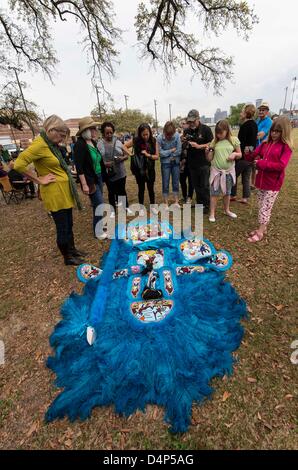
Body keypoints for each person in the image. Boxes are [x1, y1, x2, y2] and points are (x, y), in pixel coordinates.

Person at [14, 115, 84, 266]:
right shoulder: (40, 145)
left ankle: (72, 250)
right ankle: (67, 257)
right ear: (52, 130)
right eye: (61, 135)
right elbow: (18, 164)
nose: (61, 139)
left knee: (69, 223)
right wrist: (39, 180)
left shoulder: (51, 145)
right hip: (54, 193)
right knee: (63, 226)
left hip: (64, 191)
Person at [246, 117, 293, 243]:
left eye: (278, 131)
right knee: (261, 205)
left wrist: (262, 163)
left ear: (284, 132)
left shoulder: (286, 148)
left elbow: (281, 166)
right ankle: (263, 228)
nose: (274, 133)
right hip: (261, 181)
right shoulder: (265, 144)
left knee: (265, 208)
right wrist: (248, 153)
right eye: (273, 131)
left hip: (273, 184)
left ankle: (260, 232)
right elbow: (254, 153)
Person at [74, 116, 107, 237]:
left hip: (98, 176)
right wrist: (84, 184)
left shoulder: (92, 142)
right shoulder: (80, 145)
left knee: (98, 204)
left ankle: (100, 226)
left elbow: (97, 160)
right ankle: (98, 232)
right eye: (93, 128)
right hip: (90, 180)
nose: (96, 130)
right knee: (99, 204)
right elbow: (80, 167)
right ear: (86, 130)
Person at [206, 120, 242, 222]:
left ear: (227, 130)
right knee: (214, 193)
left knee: (227, 192)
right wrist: (207, 152)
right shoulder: (214, 141)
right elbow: (209, 158)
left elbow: (240, 154)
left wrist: (234, 154)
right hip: (216, 172)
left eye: (221, 132)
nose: (219, 135)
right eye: (217, 132)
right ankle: (212, 213)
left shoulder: (234, 140)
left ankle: (227, 210)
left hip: (229, 171)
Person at [98, 122, 133, 218]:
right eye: (107, 133)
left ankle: (125, 207)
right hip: (108, 172)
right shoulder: (99, 144)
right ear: (103, 133)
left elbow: (127, 155)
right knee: (111, 191)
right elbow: (97, 159)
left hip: (120, 171)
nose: (109, 135)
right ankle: (112, 209)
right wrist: (104, 164)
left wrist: (121, 158)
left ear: (113, 132)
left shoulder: (118, 142)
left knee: (122, 190)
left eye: (111, 132)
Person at [183, 110, 213, 214]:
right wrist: (184, 143)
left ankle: (207, 205)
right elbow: (185, 145)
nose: (191, 124)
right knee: (196, 185)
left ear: (198, 119)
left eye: (193, 121)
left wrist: (199, 146)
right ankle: (200, 204)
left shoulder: (206, 129)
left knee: (204, 185)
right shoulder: (186, 130)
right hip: (192, 163)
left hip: (204, 163)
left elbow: (212, 143)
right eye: (189, 122)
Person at [124, 124, 159, 215]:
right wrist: (130, 154)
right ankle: (141, 208)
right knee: (141, 189)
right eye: (143, 135)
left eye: (147, 134)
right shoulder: (136, 140)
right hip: (139, 169)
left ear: (150, 133)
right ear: (140, 134)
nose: (145, 137)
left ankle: (153, 207)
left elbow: (157, 156)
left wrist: (148, 155)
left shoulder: (154, 140)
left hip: (150, 169)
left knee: (151, 189)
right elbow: (123, 146)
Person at [231, 104, 258, 204]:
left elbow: (244, 143)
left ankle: (232, 194)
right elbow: (253, 142)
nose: (240, 114)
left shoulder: (245, 125)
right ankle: (245, 197)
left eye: (242, 112)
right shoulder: (254, 124)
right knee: (246, 177)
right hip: (250, 156)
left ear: (247, 113)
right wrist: (250, 154)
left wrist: (243, 153)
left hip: (243, 157)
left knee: (233, 174)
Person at [157, 121, 182, 208]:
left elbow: (179, 150)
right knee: (165, 182)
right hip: (165, 164)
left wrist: (170, 155)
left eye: (171, 135)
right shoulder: (159, 138)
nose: (169, 137)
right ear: (164, 132)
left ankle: (176, 201)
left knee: (175, 182)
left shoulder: (177, 136)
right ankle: (166, 203)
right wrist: (171, 151)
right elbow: (160, 153)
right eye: (167, 135)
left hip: (175, 163)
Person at [253, 102, 273, 189]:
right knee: (254, 165)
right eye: (260, 110)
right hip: (255, 146)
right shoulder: (257, 120)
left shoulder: (269, 121)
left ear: (267, 111)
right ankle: (253, 184)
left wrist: (252, 135)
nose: (261, 112)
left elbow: (260, 135)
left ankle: (260, 183)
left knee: (261, 166)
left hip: (263, 147)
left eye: (263, 110)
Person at [179, 120, 194, 204]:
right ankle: (184, 196)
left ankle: (190, 197)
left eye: (184, 123)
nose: (182, 125)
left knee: (191, 180)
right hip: (182, 163)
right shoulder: (181, 137)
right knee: (182, 180)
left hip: (191, 162)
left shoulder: (192, 135)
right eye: (182, 123)